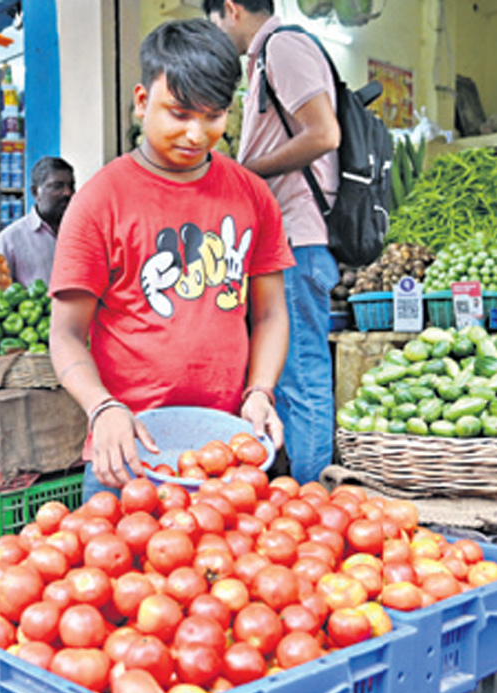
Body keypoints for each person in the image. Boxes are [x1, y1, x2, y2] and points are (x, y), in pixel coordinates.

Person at [49, 18, 294, 493]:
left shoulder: (253, 196)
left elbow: (270, 315)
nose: (197, 134)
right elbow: (65, 335)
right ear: (143, 102)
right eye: (180, 114)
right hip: (128, 453)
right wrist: (102, 406)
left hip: (226, 450)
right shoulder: (100, 201)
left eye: (214, 115)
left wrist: (260, 391)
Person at [207, 0, 342, 485]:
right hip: (282, 242)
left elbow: (324, 133)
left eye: (215, 23)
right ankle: (297, 496)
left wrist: (245, 173)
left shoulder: (283, 47)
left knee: (301, 377)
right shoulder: (266, 57)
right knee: (285, 379)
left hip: (297, 240)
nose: (218, 34)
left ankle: (310, 501)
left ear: (231, 8)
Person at [0, 156, 76, 286]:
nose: (68, 193)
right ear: (35, 192)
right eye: (58, 186)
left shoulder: (82, 233)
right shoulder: (9, 241)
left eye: (71, 186)